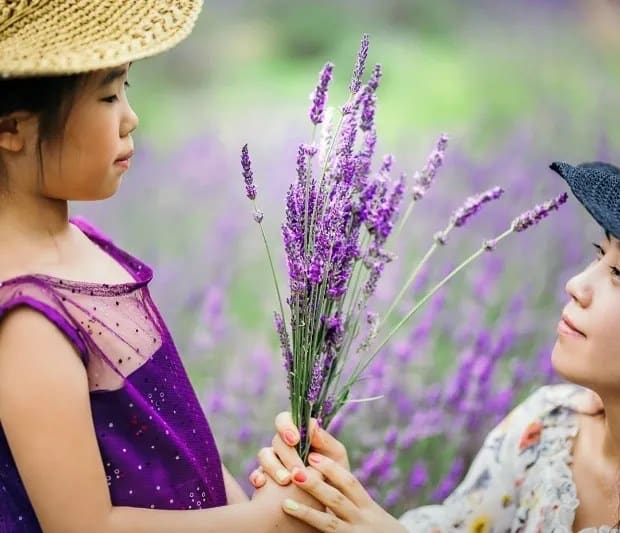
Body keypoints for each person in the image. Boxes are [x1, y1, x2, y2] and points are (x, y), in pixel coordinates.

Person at [0, 2, 320, 531]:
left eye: (127, 89)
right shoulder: (27, 318)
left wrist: (262, 507)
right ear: (12, 128)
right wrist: (263, 524)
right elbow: (85, 526)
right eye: (106, 95)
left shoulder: (85, 245)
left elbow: (179, 441)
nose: (130, 117)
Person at [253, 161, 620, 531]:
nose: (575, 284)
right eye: (598, 254)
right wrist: (337, 500)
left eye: (618, 274)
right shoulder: (545, 428)